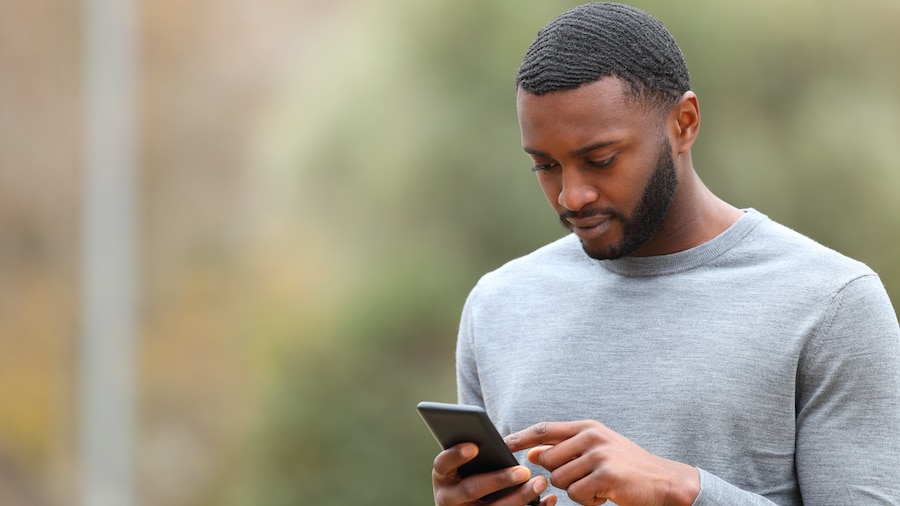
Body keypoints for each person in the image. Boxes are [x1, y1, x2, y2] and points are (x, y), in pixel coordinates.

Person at [429, 3, 900, 506]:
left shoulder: (831, 303)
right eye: (545, 166)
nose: (572, 196)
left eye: (601, 160)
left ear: (684, 123)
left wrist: (683, 490)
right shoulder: (498, 305)